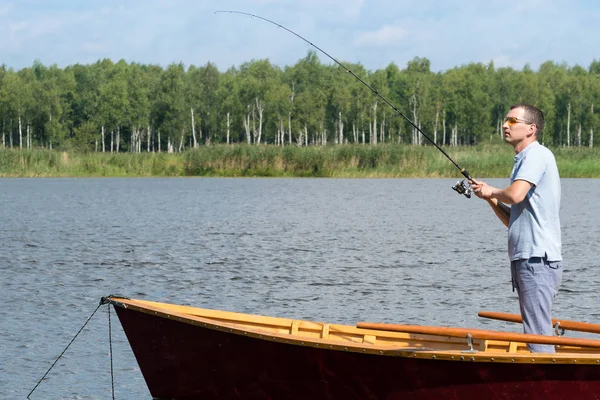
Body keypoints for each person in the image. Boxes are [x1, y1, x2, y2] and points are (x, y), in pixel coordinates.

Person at [471, 103, 563, 353]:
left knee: (537, 334)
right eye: (505, 120)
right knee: (536, 330)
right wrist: (490, 199)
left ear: (531, 128)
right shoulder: (525, 158)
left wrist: (493, 190)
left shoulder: (536, 155)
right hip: (528, 259)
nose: (504, 125)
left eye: (512, 121)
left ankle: (549, 387)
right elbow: (513, 216)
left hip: (537, 260)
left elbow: (516, 194)